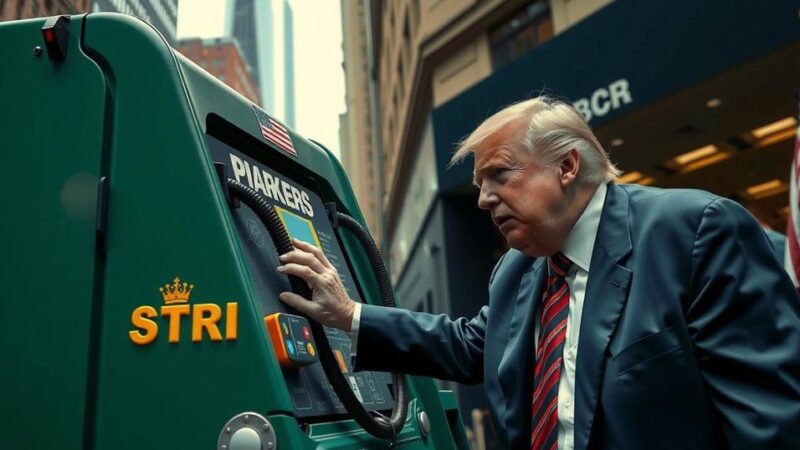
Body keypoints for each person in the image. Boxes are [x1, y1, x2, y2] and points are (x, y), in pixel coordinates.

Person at [277, 96, 800, 450]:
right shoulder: (517, 270)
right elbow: (467, 345)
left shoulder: (694, 232)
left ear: (567, 166)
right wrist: (348, 315)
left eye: (499, 175)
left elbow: (771, 424)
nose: (483, 200)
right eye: (479, 184)